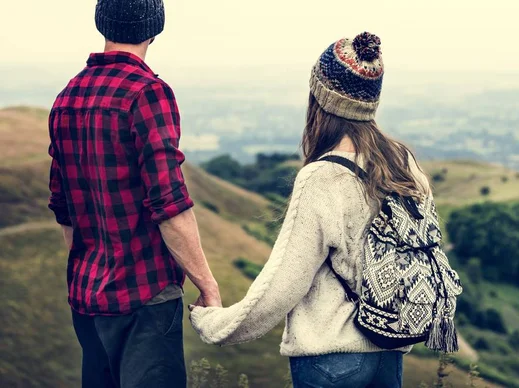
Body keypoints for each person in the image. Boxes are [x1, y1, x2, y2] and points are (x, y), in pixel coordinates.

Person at [191, 32, 432, 388]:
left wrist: (215, 324)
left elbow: (282, 286)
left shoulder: (322, 177)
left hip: (331, 361)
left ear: (320, 99)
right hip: (389, 352)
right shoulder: (403, 164)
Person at [47, 1, 221, 387]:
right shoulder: (148, 93)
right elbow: (169, 204)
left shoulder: (66, 98)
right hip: (144, 298)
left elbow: (64, 210)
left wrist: (91, 270)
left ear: (102, 24)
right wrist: (207, 286)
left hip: (88, 301)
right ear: (154, 29)